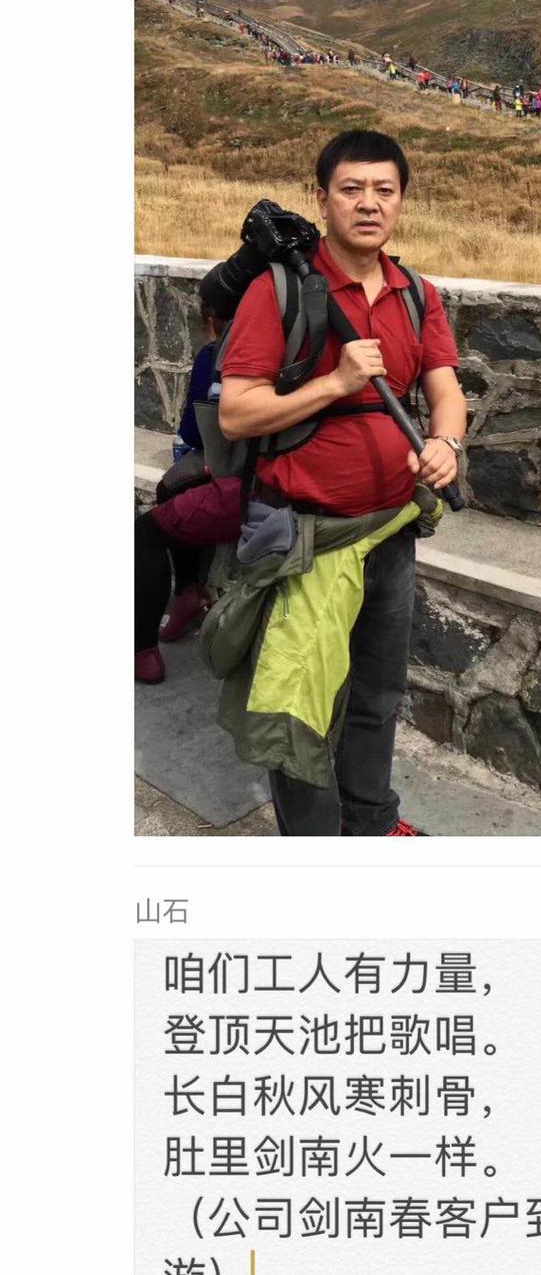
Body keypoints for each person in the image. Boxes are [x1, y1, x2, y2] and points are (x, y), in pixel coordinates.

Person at [218, 130, 466, 837]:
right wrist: (336, 382)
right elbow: (237, 413)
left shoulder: (416, 294)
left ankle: (371, 819)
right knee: (301, 707)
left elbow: (446, 390)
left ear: (401, 201)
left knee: (378, 693)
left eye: (384, 190)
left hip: (389, 530)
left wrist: (447, 442)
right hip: (305, 537)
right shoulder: (279, 292)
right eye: (351, 189)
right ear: (322, 199)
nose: (368, 203)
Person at [135, 305, 240, 684]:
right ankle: (188, 593)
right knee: (172, 490)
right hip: (286, 479)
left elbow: (195, 432)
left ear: (211, 321)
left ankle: (142, 651)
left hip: (246, 485)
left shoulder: (216, 356)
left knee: (146, 531)